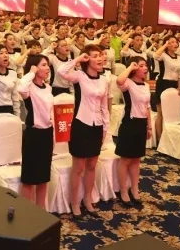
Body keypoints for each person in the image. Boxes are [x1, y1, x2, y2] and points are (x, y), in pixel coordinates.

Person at [58, 45, 110, 219]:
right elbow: (61, 71)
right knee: (79, 167)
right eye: (95, 56)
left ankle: (87, 199)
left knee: (92, 165)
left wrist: (105, 128)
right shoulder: (79, 76)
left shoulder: (104, 80)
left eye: (101, 55)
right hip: (81, 124)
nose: (100, 58)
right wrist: (79, 59)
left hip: (97, 125)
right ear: (87, 59)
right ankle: (74, 203)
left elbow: (104, 106)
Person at [17, 55, 54, 210]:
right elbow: (20, 88)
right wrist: (31, 73)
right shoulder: (29, 88)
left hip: (47, 133)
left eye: (48, 65)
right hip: (34, 134)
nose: (47, 68)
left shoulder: (48, 87)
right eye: (43, 65)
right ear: (34, 67)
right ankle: (26, 212)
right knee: (30, 178)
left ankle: (40, 211)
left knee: (43, 177)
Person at [115, 58, 151, 206]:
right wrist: (130, 67)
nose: (145, 68)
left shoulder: (146, 85)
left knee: (136, 159)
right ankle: (123, 191)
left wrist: (149, 126)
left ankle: (135, 189)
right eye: (141, 66)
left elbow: (147, 107)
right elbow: (119, 80)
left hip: (142, 124)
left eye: (146, 65)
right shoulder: (128, 83)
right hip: (129, 123)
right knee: (125, 159)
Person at [152, 37, 180, 142]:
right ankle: (160, 138)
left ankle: (168, 138)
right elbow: (155, 55)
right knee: (161, 113)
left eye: (176, 42)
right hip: (163, 84)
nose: (174, 44)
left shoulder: (179, 57)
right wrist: (165, 45)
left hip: (174, 85)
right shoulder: (163, 56)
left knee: (171, 113)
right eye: (171, 42)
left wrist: (179, 87)